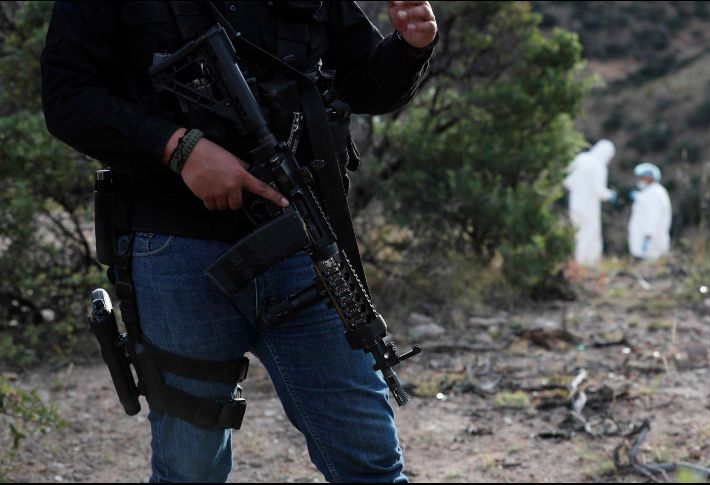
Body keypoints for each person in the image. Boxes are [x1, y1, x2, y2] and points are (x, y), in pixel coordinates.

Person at [40, 1, 438, 482]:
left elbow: (362, 80)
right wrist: (178, 149)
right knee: (190, 471)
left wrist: (410, 47)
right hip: (176, 252)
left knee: (371, 464)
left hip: (304, 249)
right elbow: (68, 97)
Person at [563, 139, 617, 267]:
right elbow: (600, 191)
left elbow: (567, 181)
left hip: (575, 203)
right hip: (589, 206)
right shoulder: (599, 166)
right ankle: (586, 264)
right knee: (590, 234)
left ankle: (578, 263)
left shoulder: (580, 158)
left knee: (578, 233)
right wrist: (610, 195)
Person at [628, 162, 672, 260]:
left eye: (642, 177)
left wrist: (648, 235)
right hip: (644, 241)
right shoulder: (649, 192)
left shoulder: (655, 193)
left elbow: (654, 216)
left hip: (651, 241)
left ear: (649, 178)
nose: (639, 180)